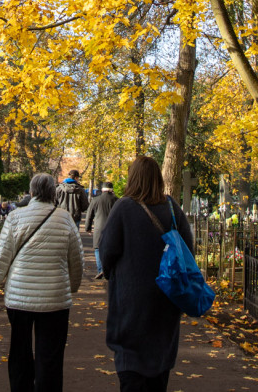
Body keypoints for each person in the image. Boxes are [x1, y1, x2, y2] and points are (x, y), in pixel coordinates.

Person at [98, 156, 194, 392]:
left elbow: (107, 251)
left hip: (131, 298)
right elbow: (189, 250)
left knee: (131, 365)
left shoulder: (124, 207)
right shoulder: (172, 208)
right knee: (159, 369)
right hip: (166, 299)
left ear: (133, 178)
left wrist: (112, 274)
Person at [0, 174, 83, 392]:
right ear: (53, 193)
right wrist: (72, 287)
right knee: (51, 356)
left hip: (19, 297)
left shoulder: (15, 217)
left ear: (32, 192)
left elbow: (2, 260)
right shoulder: (64, 219)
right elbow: (77, 260)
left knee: (19, 351)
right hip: (55, 299)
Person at [85, 181, 118, 279]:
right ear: (112, 189)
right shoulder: (117, 200)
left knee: (98, 248)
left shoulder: (96, 200)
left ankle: (101, 270)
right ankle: (110, 270)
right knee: (112, 248)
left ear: (102, 189)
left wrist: (88, 228)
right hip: (113, 228)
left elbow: (89, 215)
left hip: (99, 228)